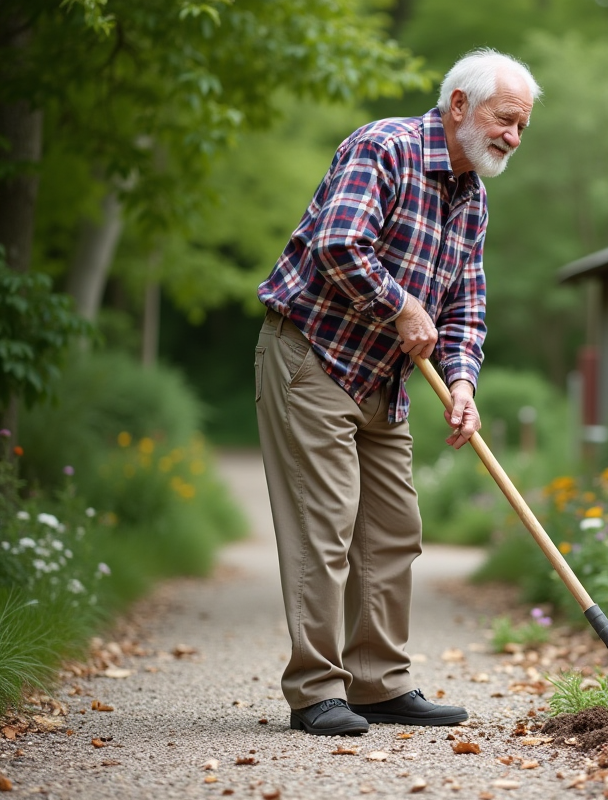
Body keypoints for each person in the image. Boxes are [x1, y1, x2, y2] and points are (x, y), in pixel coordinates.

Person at [253, 49, 539, 736]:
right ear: (460, 106)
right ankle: (316, 690)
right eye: (506, 119)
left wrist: (464, 381)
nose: (513, 137)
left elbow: (466, 304)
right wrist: (404, 308)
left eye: (523, 127)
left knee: (393, 531)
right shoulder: (385, 147)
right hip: (313, 358)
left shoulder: (473, 199)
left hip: (385, 378)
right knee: (325, 527)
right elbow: (339, 245)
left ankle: (377, 682)